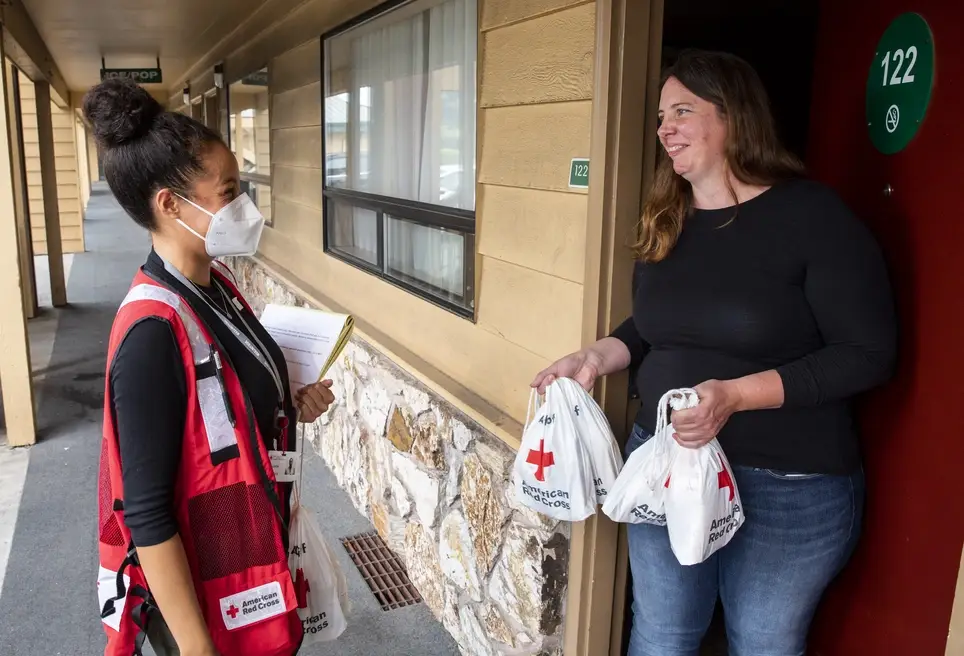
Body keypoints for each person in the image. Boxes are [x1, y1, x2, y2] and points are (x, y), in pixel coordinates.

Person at [531, 49, 897, 656]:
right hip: (666, 464)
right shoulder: (667, 219)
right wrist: (594, 357)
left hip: (788, 483)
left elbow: (867, 352)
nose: (663, 129)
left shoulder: (811, 216)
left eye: (682, 111)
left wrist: (735, 396)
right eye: (659, 117)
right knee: (664, 634)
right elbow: (654, 328)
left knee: (761, 643)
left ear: (735, 118)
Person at [87, 78, 335, 656]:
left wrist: (287, 405)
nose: (243, 207)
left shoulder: (215, 286)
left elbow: (221, 411)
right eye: (229, 192)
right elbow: (145, 515)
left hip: (249, 568)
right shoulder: (151, 334)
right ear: (170, 205)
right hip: (205, 603)